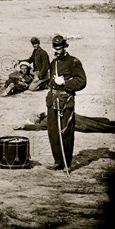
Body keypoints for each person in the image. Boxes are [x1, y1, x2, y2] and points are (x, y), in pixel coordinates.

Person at [45, 35, 87, 171]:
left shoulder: (74, 62)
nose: (56, 50)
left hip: (65, 101)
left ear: (64, 47)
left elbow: (81, 82)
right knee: (53, 132)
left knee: (66, 132)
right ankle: (58, 161)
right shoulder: (54, 63)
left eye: (59, 47)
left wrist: (65, 83)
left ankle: (67, 163)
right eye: (54, 47)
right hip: (52, 101)